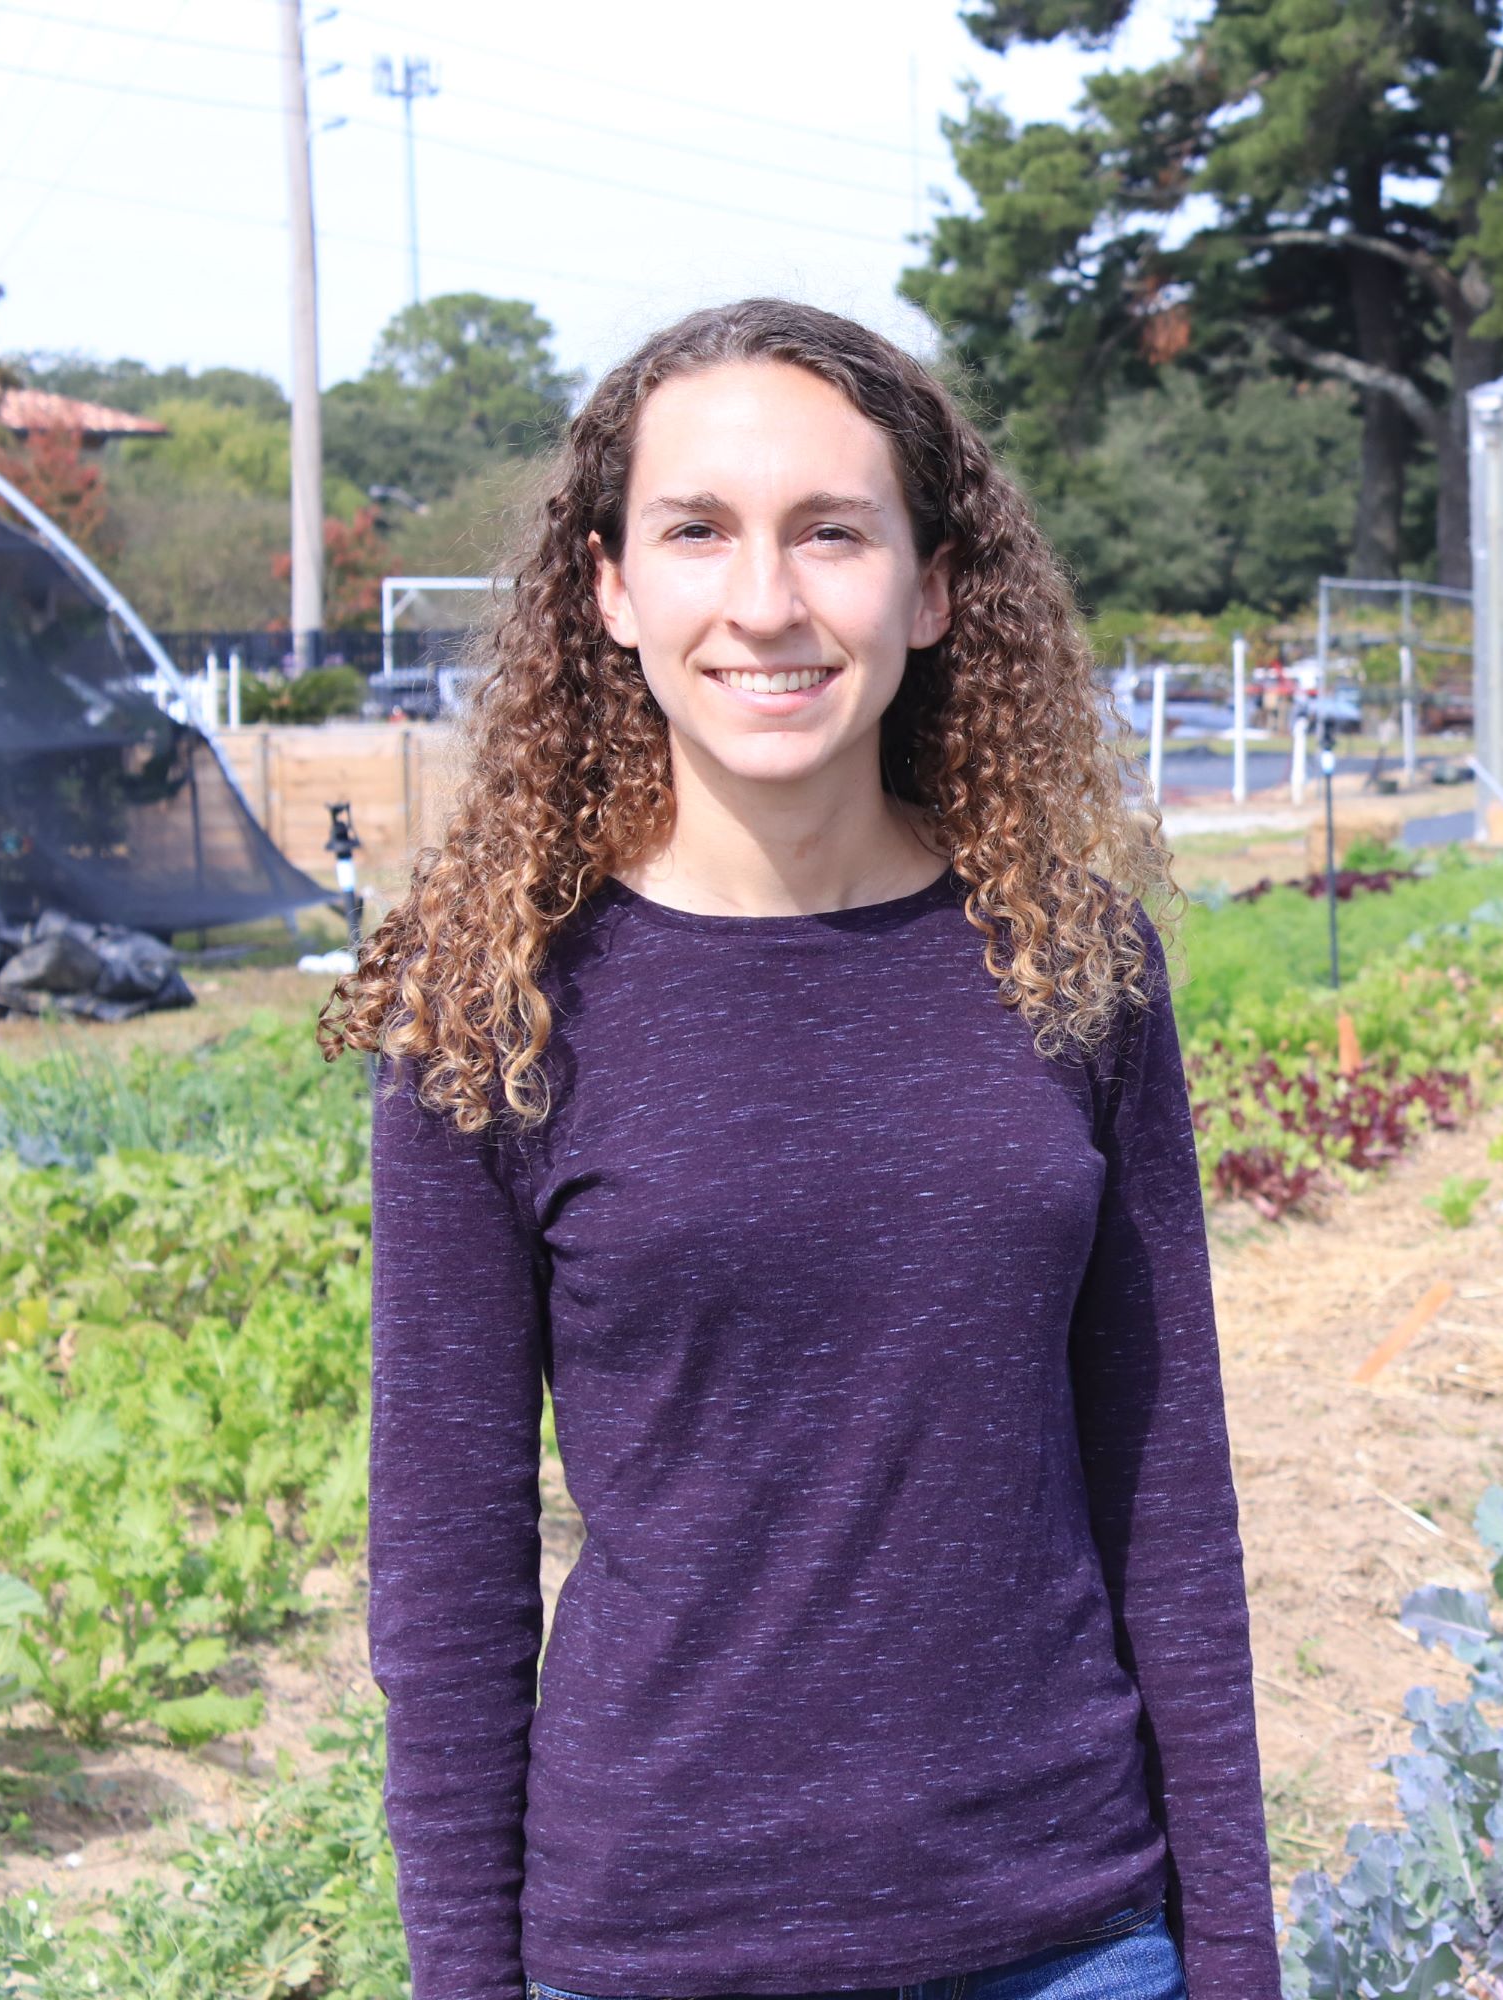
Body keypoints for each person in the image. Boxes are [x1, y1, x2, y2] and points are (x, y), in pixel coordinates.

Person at [320, 298, 1275, 2000]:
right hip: (664, 1948)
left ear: (932, 584)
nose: (766, 601)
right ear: (610, 588)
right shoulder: (493, 1007)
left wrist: (1237, 1958)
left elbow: (1171, 1508)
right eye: (699, 530)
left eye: (831, 532)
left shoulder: (1070, 962)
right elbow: (450, 1592)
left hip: (1069, 1933)